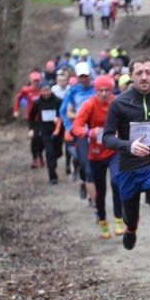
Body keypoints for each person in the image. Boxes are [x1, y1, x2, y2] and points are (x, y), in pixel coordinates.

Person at [102, 56, 150, 289]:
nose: (144, 77)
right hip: (128, 169)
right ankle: (131, 227)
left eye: (148, 72)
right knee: (131, 214)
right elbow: (106, 137)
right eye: (139, 73)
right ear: (131, 76)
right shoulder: (119, 103)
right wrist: (128, 145)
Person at [73, 75, 123, 238]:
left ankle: (118, 218)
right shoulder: (89, 104)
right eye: (100, 90)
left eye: (107, 90)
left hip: (114, 150)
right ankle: (102, 220)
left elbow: (128, 119)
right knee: (100, 191)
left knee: (116, 181)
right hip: (96, 153)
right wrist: (89, 132)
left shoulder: (117, 102)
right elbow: (76, 127)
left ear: (111, 90)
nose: (103, 94)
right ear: (96, 91)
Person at [60, 62, 96, 203]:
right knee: (84, 162)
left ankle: (94, 197)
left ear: (90, 75)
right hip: (81, 132)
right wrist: (71, 127)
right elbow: (66, 113)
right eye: (81, 77)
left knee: (96, 164)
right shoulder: (73, 91)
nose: (83, 79)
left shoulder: (98, 89)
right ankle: (84, 182)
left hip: (97, 132)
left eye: (86, 76)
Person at [27, 81, 63, 184]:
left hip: (57, 131)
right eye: (44, 91)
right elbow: (31, 117)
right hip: (45, 131)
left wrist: (59, 119)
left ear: (51, 90)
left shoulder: (58, 101)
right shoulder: (38, 103)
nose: (46, 93)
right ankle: (52, 176)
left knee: (58, 152)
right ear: (41, 92)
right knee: (49, 152)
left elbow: (64, 114)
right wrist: (31, 128)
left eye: (48, 90)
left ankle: (53, 162)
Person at [15, 71, 45, 168]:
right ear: (31, 81)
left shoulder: (43, 90)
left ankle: (40, 155)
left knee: (42, 139)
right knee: (34, 138)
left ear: (40, 81)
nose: (36, 83)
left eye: (37, 81)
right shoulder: (26, 90)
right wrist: (16, 110)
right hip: (32, 119)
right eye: (34, 81)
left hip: (42, 119)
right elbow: (18, 98)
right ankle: (34, 158)